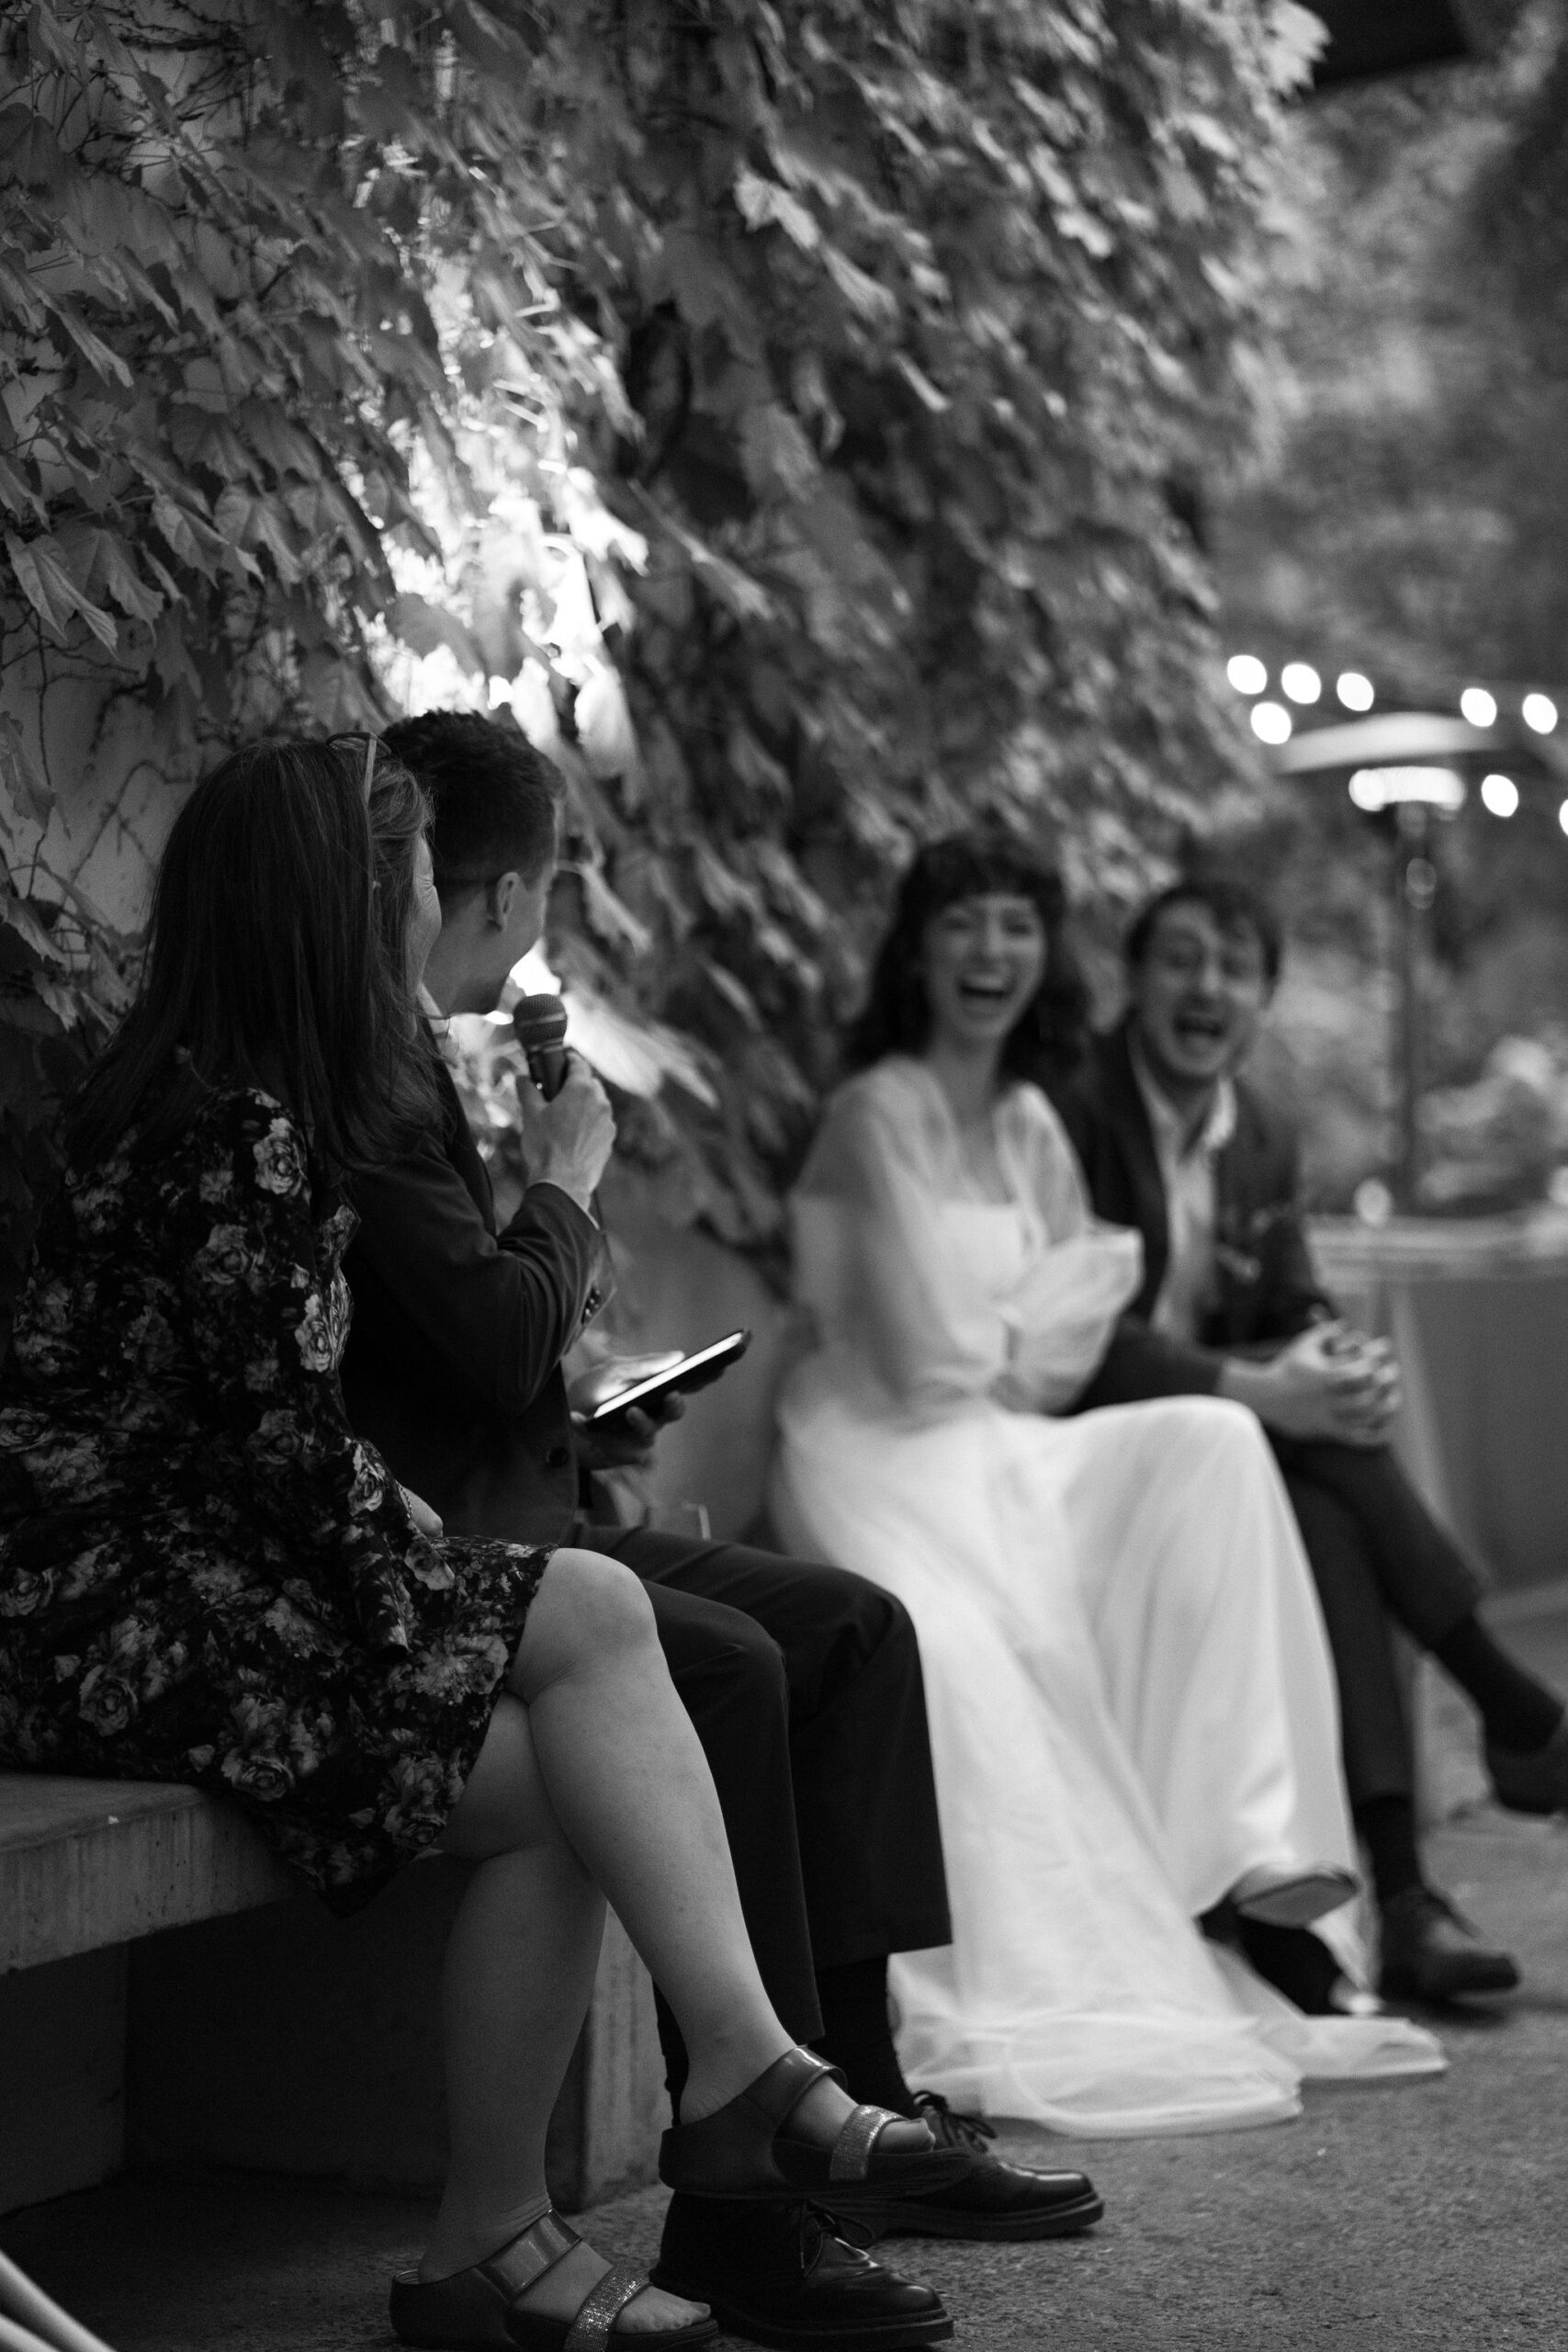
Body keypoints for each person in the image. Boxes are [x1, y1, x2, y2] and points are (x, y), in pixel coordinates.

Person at [0, 740, 973, 2352]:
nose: (430, 909)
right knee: (592, 1614)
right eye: (410, 883)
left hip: (168, 1591)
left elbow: (258, 1439)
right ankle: (749, 2078)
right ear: (338, 908)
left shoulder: (216, 1098)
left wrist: (427, 1522)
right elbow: (279, 1473)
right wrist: (435, 1540)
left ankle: (492, 2242)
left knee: (562, 1793)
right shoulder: (233, 1130)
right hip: (102, 1620)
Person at [338, 714, 1100, 2335]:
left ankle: (859, 2111)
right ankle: (748, 2206)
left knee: (852, 1627)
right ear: (498, 889)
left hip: (528, 1493)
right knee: (738, 1663)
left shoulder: (408, 1055)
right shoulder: (360, 1074)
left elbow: (476, 1342)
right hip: (471, 1543)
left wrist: (591, 1384)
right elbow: (473, 1338)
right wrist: (568, 1179)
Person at [769, 830, 1444, 2139]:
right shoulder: (874, 1115)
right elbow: (921, 1354)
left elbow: (1071, 1325)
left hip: (997, 1437)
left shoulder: (1025, 1118)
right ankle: (1023, 1963)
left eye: (1015, 925)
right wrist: (1019, 1318)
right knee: (960, 1647)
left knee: (1212, 1441)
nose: (989, 952)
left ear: (1044, 954)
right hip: (871, 1449)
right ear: (916, 949)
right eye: (961, 923)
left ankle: (1253, 1854)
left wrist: (1013, 1323)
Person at [1053, 873, 1568, 2007]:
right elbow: (1073, 1338)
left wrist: (1337, 1358)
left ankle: (1405, 1892)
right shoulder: (1074, 1104)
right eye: (1182, 958)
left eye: (1235, 969)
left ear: (1261, 1000)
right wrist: (1263, 1385)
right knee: (1301, 1447)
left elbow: (1289, 1298)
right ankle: (1502, 1717)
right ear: (1134, 982)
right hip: (1083, 1442)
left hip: (1220, 1444)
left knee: (1330, 1496)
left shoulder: (1262, 1132)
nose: (1208, 987)